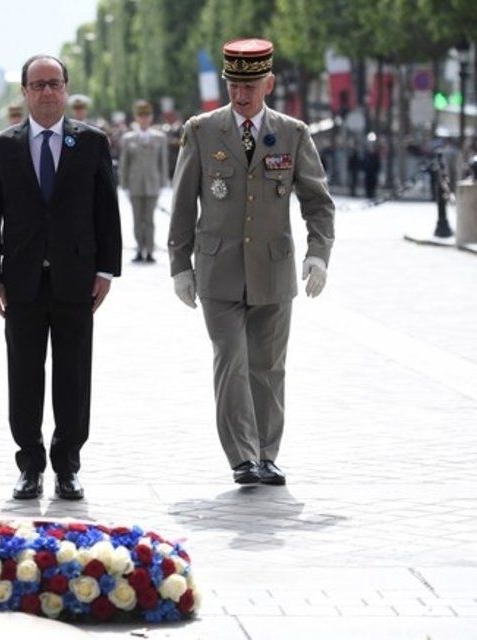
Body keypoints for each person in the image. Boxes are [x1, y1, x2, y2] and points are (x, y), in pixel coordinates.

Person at [167, 38, 334, 486]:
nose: (241, 95)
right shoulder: (201, 131)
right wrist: (179, 264)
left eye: (251, 85)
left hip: (273, 270)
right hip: (218, 270)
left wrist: (318, 255)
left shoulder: (294, 133)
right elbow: (183, 204)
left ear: (269, 83)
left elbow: (318, 203)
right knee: (231, 360)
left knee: (268, 366)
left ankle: (267, 453)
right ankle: (242, 456)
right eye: (234, 85)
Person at [0, 54, 122, 501]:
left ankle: (68, 465)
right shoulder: (3, 147)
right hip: (21, 281)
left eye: (54, 83)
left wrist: (105, 269)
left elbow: (106, 212)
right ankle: (29, 463)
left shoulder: (92, 142)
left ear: (65, 88)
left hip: (76, 279)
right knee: (24, 373)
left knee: (74, 374)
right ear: (24, 92)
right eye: (37, 85)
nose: (46, 92)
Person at [119, 99, 168, 263]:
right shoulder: (128, 138)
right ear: (136, 118)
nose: (144, 119)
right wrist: (124, 184)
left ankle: (150, 250)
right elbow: (124, 163)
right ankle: (140, 249)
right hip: (135, 184)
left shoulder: (159, 137)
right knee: (137, 219)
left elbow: (163, 162)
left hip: (153, 184)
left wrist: (163, 183)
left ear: (151, 117)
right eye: (141, 115)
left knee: (150, 220)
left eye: (146, 115)